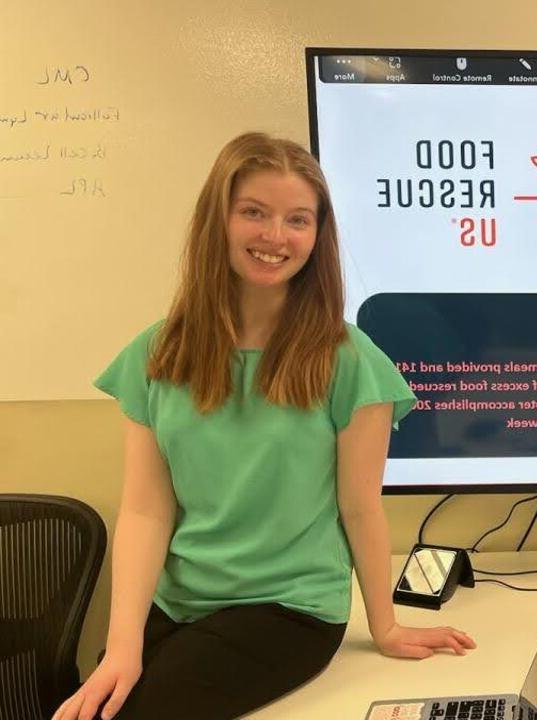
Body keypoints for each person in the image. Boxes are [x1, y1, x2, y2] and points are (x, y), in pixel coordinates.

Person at [55, 133, 476, 720]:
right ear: (216, 221)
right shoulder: (159, 353)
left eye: (297, 219)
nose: (276, 236)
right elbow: (147, 511)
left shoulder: (349, 361)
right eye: (254, 212)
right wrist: (122, 645)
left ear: (316, 235)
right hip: (179, 606)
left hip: (289, 609)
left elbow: (360, 508)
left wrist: (385, 626)